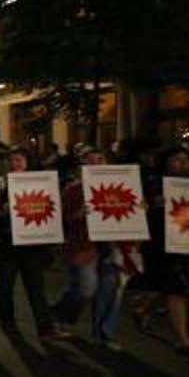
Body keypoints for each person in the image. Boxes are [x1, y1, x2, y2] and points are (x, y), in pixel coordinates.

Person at [56, 147, 135, 350]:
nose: (96, 164)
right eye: (89, 162)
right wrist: (78, 214)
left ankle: (103, 334)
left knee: (109, 290)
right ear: (82, 168)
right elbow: (60, 222)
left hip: (111, 245)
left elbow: (131, 214)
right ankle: (60, 314)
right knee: (86, 288)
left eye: (100, 160)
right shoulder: (72, 190)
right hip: (83, 246)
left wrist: (139, 209)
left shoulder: (121, 185)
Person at [132, 148, 189, 358]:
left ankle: (142, 309)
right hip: (160, 241)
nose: (183, 163)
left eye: (186, 159)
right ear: (166, 163)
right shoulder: (152, 182)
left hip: (186, 239)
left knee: (172, 283)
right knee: (175, 288)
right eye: (177, 160)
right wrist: (151, 205)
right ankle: (184, 340)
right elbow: (138, 206)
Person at [0, 147, 66, 341]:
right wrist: (1, 211)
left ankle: (45, 328)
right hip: (6, 244)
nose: (15, 164)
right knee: (5, 286)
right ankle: (8, 323)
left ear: (27, 163)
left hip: (31, 245)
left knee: (36, 287)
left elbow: (49, 210)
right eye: (12, 160)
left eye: (19, 160)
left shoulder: (39, 183)